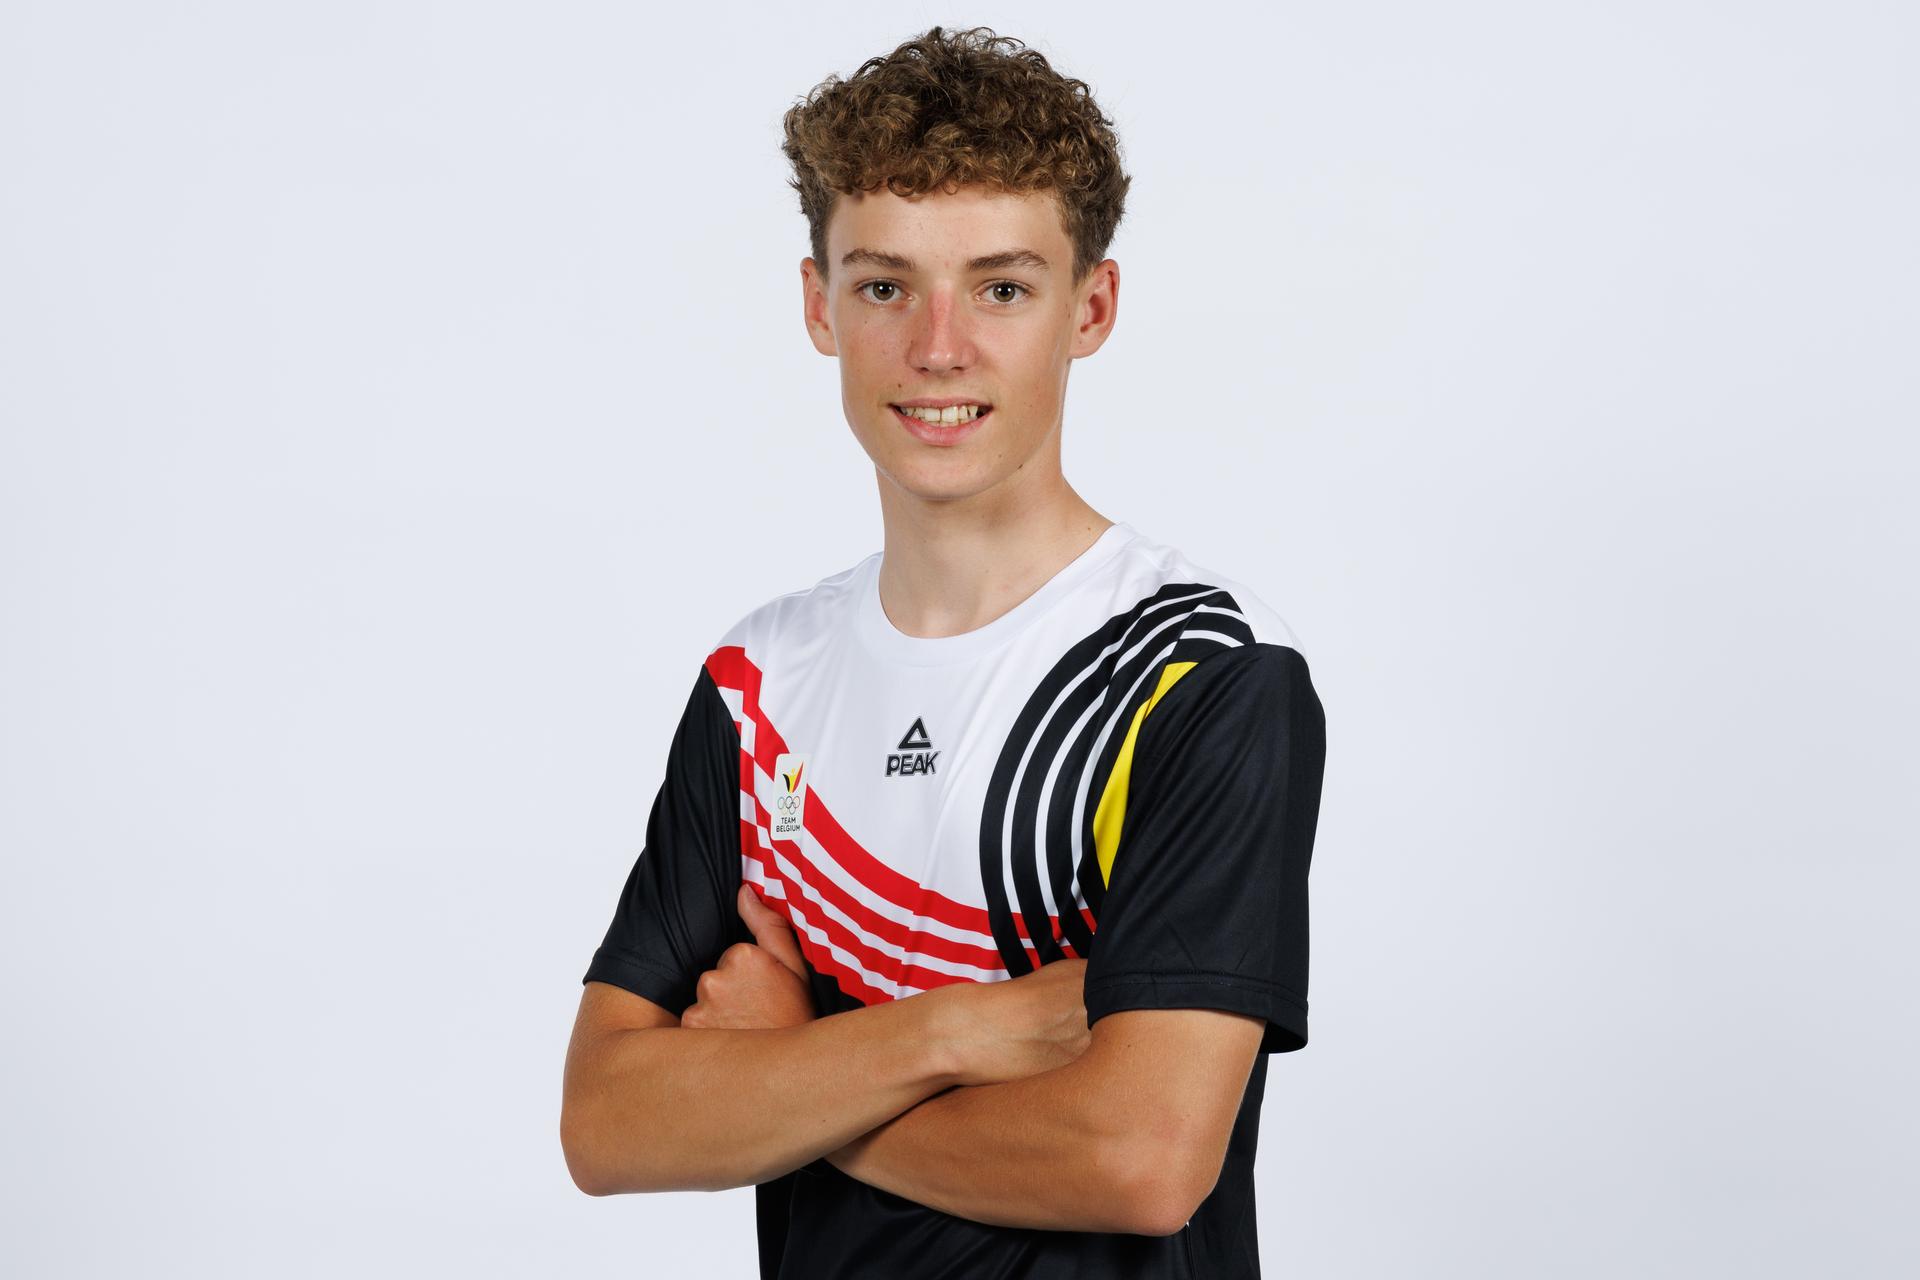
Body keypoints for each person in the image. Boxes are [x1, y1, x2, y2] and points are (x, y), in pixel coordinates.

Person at [560, 25, 1327, 1279]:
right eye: (883, 285)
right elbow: (607, 1121)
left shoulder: (1203, 672)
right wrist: (962, 1031)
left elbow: (1140, 1156)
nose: (937, 348)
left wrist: (793, 1076)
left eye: (1002, 287)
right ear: (818, 303)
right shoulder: (760, 685)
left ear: (1093, 307)